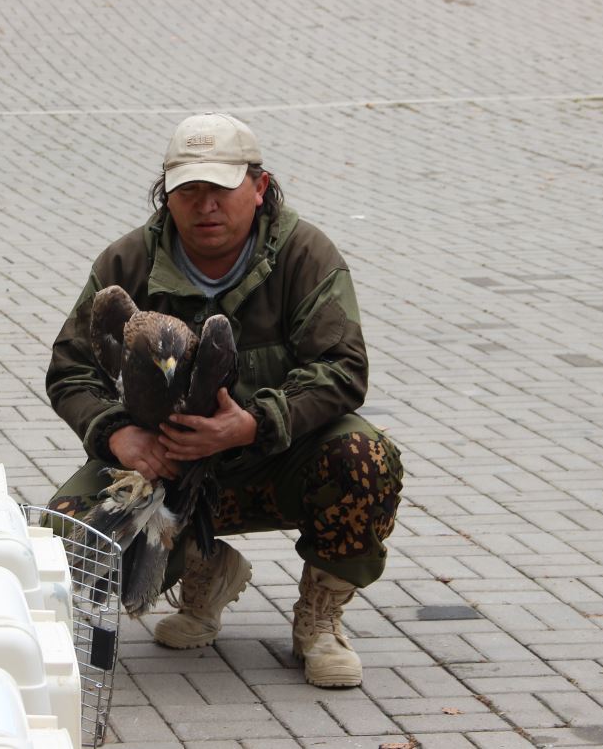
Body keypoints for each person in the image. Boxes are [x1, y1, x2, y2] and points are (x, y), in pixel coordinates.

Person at [46, 112, 403, 688]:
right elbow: (71, 370)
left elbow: (343, 368)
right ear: (167, 194)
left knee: (364, 458)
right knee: (68, 543)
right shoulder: (126, 263)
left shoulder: (305, 255)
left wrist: (255, 423)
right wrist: (118, 434)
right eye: (188, 190)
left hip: (278, 458)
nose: (205, 205)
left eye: (221, 188)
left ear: (259, 188)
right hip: (168, 468)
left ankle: (320, 617)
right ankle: (206, 565)